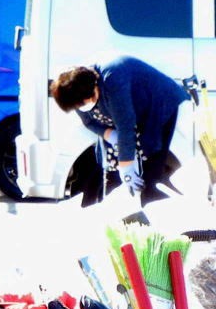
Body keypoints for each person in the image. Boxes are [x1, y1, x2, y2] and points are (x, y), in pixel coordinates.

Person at [49, 56, 198, 205]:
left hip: (156, 108)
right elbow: (89, 122)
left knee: (150, 174)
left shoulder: (113, 77)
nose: (88, 106)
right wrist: (110, 136)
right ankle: (117, 221)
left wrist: (126, 167)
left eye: (92, 99)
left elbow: (126, 125)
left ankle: (153, 217)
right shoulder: (74, 92)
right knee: (111, 176)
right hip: (123, 122)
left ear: (95, 87)